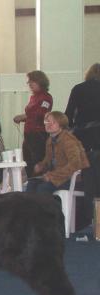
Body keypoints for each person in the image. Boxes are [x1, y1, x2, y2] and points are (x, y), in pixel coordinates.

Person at [65, 63, 100, 233]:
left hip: (85, 139)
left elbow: (68, 116)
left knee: (87, 178)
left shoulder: (78, 89)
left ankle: (87, 218)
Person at [26, 111, 89, 194]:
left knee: (43, 188)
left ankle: (46, 207)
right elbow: (48, 161)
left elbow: (75, 164)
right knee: (31, 184)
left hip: (71, 179)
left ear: (61, 125)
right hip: (57, 177)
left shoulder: (68, 140)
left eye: (54, 122)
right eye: (47, 121)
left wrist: (52, 176)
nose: (49, 124)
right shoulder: (49, 140)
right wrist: (41, 166)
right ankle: (30, 207)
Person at [13, 70, 52, 177]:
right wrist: (23, 118)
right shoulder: (33, 98)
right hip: (29, 135)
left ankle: (38, 184)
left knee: (37, 161)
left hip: (38, 135)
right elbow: (32, 115)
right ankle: (31, 182)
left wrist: (24, 116)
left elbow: (41, 114)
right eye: (29, 81)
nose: (29, 84)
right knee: (28, 161)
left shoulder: (46, 97)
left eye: (32, 81)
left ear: (40, 81)